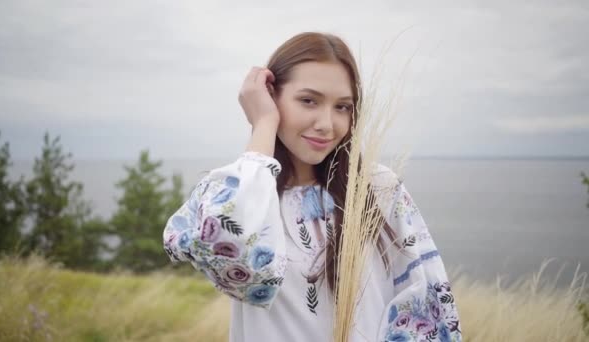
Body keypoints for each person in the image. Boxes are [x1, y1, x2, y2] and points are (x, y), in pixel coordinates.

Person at [162, 32, 462, 342]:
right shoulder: (240, 192)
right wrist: (264, 123)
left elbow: (428, 310)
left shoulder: (376, 189)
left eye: (342, 107)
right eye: (308, 100)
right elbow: (241, 268)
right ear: (271, 96)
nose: (326, 124)